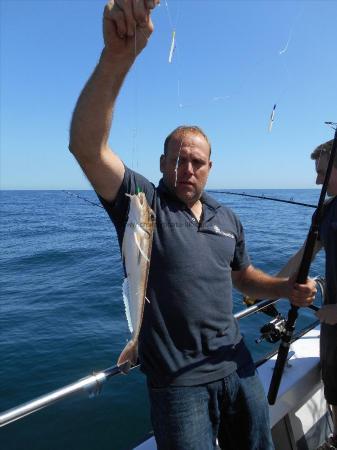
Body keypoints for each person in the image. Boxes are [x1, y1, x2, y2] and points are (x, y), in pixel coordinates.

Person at [68, 2, 317, 449]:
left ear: (209, 168)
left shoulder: (227, 217)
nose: (187, 168)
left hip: (237, 365)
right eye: (178, 160)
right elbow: (86, 147)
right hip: (177, 384)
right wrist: (117, 58)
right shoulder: (142, 204)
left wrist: (284, 289)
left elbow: (243, 278)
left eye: (197, 161)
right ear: (163, 163)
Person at [275, 139, 337, 450]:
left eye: (323, 172)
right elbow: (305, 254)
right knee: (335, 387)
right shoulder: (326, 212)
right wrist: (270, 286)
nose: (316, 180)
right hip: (331, 326)